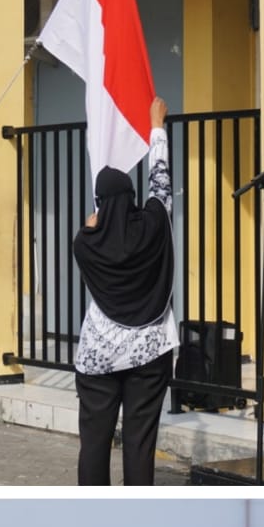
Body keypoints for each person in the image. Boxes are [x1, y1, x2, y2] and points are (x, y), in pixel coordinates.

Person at [72, 96, 175, 485]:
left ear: (99, 204)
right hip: (150, 353)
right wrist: (156, 127)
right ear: (131, 197)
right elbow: (160, 181)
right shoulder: (154, 224)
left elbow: (91, 231)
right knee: (139, 442)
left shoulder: (85, 244)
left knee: (94, 443)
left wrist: (90, 226)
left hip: (98, 356)